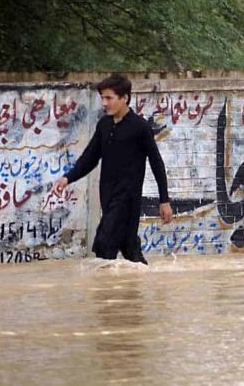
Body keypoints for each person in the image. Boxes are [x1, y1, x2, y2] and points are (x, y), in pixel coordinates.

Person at [55, 74, 173, 264]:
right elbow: (90, 157)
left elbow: (156, 163)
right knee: (129, 249)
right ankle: (140, 285)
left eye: (109, 98)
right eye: (103, 98)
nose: (104, 103)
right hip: (108, 195)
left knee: (104, 244)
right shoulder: (104, 125)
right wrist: (67, 178)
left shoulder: (139, 127)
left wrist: (164, 200)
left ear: (124, 98)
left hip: (127, 197)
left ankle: (103, 292)